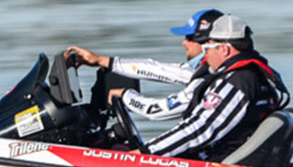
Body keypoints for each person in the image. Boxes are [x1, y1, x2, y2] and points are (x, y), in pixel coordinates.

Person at [137, 14, 289, 161]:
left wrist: (145, 152)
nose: (205, 56)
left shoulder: (237, 82)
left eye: (207, 48)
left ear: (224, 49)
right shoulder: (254, 76)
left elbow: (199, 130)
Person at [63, 8, 221, 121]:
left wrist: (126, 95)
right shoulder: (203, 70)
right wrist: (100, 61)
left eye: (189, 38)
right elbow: (155, 69)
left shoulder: (208, 77)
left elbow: (155, 111)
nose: (183, 42)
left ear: (209, 42)